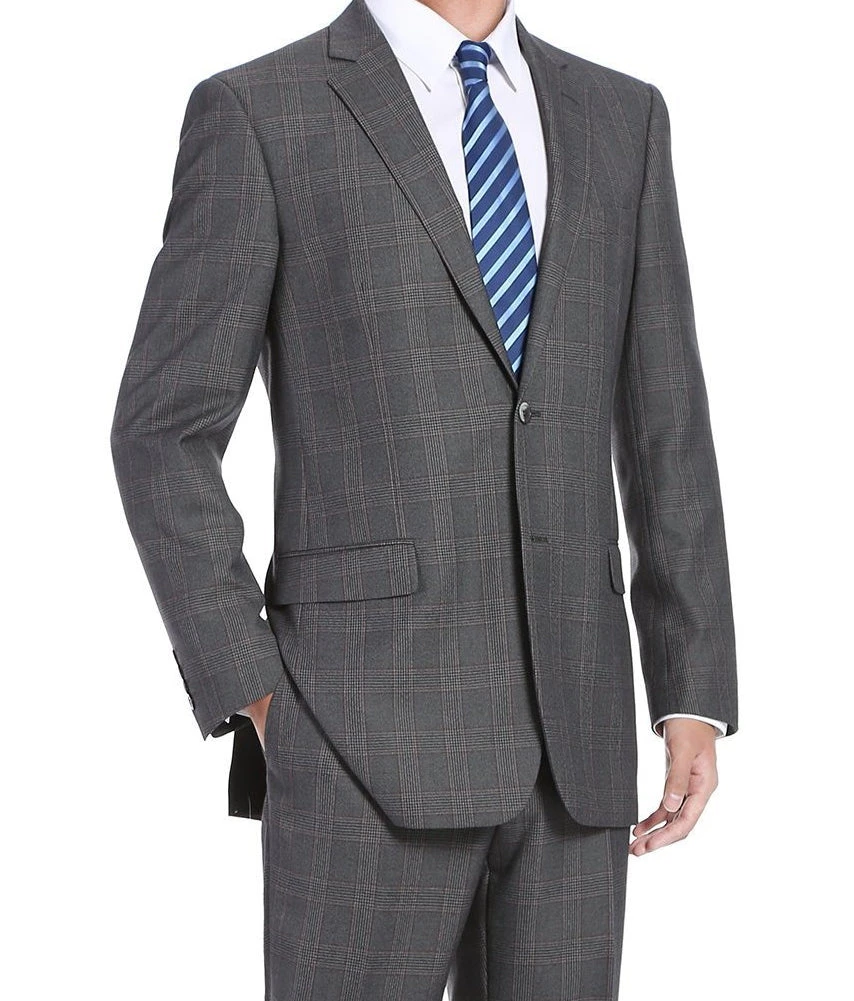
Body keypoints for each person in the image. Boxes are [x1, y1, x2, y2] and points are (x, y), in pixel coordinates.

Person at [109, 0, 738, 997]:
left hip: (577, 748)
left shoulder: (622, 118)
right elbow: (162, 429)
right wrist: (257, 689)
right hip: (355, 739)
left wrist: (689, 689)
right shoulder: (263, 110)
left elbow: (668, 424)